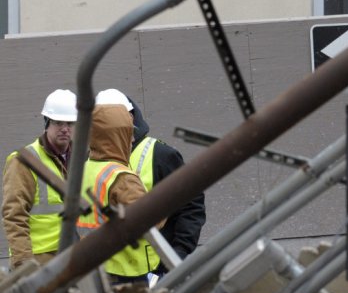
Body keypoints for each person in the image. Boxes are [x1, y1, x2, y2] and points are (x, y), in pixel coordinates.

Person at [95, 89, 206, 263]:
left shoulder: (160, 155)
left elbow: (191, 205)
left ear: (130, 118)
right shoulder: (89, 161)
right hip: (105, 269)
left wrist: (179, 251)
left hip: (154, 270)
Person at [77, 103, 163, 282]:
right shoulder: (121, 177)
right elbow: (149, 221)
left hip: (94, 267)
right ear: (115, 136)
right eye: (128, 133)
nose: (132, 140)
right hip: (127, 273)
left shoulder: (85, 169)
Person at [2, 89, 77, 270]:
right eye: (58, 122)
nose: (65, 128)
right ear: (47, 123)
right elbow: (14, 215)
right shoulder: (24, 161)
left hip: (73, 256)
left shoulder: (82, 159)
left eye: (70, 123)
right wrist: (24, 265)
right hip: (39, 261)